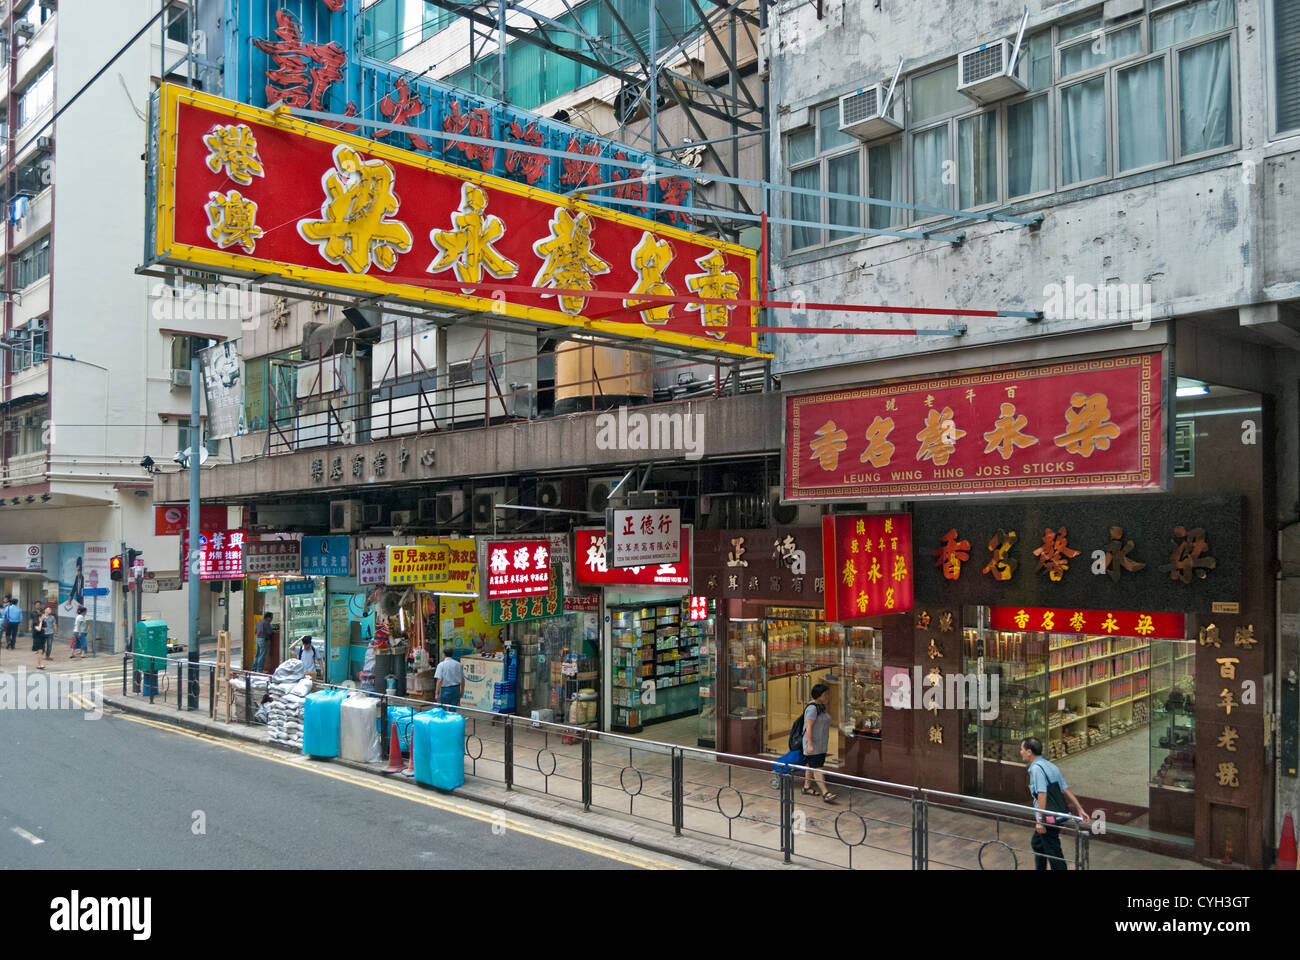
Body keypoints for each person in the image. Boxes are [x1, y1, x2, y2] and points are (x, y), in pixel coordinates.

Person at [1019, 737, 1089, 871]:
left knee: (1053, 851)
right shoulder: (1050, 765)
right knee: (1038, 844)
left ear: (1029, 751)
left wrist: (1040, 820)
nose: (1020, 752)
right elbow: (1065, 788)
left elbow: (1042, 794)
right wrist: (1080, 809)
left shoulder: (1036, 769)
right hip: (1057, 815)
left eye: (1022, 749)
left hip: (1048, 818)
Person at [801, 683, 838, 803]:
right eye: (825, 694)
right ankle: (825, 793)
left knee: (810, 765)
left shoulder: (820, 706)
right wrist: (810, 744)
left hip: (820, 743)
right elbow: (809, 727)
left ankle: (806, 787)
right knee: (817, 768)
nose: (827, 696)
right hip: (814, 745)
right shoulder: (812, 708)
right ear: (819, 695)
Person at [35, 604, 56, 669]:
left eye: (50, 610)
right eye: (48, 609)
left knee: (49, 645)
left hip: (50, 633)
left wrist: (55, 632)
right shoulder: (41, 616)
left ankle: (47, 656)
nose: (50, 610)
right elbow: (38, 625)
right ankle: (40, 654)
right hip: (43, 634)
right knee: (42, 646)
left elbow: (54, 625)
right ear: (45, 610)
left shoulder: (52, 617)